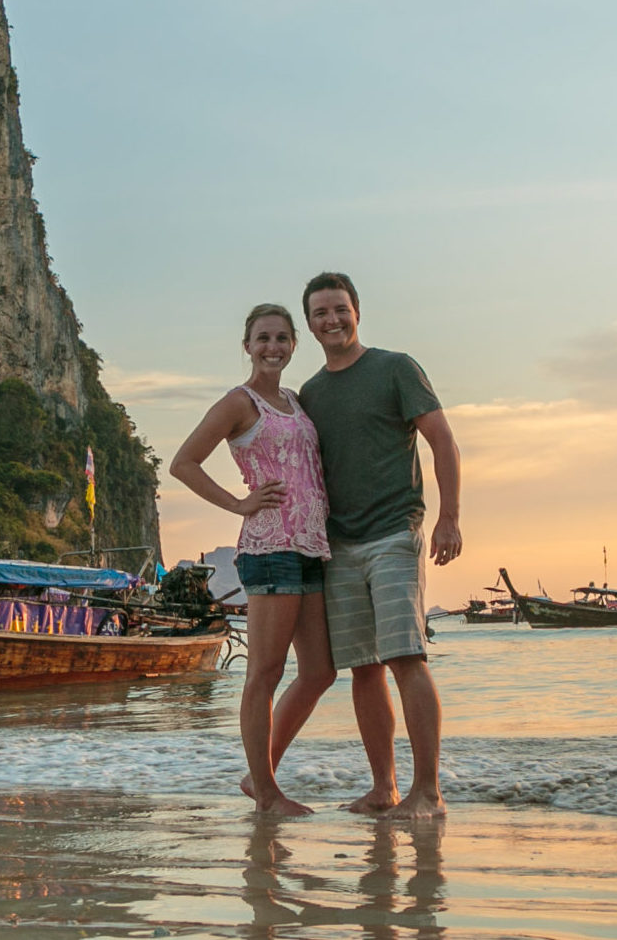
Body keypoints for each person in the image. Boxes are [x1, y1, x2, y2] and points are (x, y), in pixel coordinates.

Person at [298, 272, 462, 821]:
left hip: (395, 533)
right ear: (310, 323)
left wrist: (449, 519)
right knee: (363, 667)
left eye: (340, 309)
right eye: (321, 313)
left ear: (357, 311)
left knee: (405, 657)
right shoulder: (312, 394)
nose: (332, 320)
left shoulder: (396, 367)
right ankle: (383, 789)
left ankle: (429, 792)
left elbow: (442, 441)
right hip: (339, 546)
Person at [170, 303, 336, 815]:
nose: (273, 347)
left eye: (282, 338)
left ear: (293, 345)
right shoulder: (237, 403)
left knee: (320, 672)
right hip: (270, 548)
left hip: (312, 546)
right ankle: (266, 793)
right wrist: (240, 503)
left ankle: (258, 775)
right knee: (264, 672)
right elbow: (183, 463)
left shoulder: (295, 400)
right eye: (263, 338)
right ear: (247, 346)